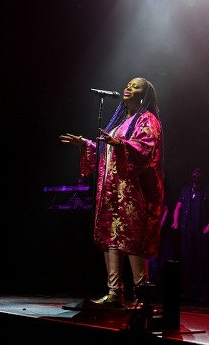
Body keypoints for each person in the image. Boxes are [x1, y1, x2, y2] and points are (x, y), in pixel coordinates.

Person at [59, 77, 164, 308]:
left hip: (133, 191)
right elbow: (106, 150)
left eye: (135, 86)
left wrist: (120, 145)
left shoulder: (148, 120)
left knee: (133, 239)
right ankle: (114, 292)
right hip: (111, 191)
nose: (128, 88)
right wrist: (86, 144)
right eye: (128, 84)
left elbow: (145, 149)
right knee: (110, 238)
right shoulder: (118, 123)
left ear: (144, 95)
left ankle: (141, 295)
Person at [171, 167, 209, 302]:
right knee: (186, 259)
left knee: (201, 259)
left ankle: (202, 289)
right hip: (186, 231)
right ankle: (187, 288)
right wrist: (175, 221)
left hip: (200, 231)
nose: (196, 175)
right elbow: (178, 208)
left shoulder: (207, 191)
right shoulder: (185, 191)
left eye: (199, 173)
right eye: (194, 173)